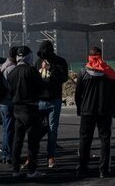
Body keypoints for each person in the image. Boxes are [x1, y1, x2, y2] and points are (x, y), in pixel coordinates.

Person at [75, 46, 115, 178]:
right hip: (104, 112)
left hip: (87, 112)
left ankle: (83, 168)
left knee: (84, 140)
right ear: (101, 56)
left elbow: (78, 94)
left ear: (89, 57)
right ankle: (103, 169)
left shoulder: (82, 72)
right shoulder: (109, 72)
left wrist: (79, 108)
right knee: (105, 141)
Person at [8, 46, 44, 178]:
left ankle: (15, 169)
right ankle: (31, 171)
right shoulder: (31, 70)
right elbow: (41, 88)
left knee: (17, 140)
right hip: (30, 109)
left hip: (17, 109)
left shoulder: (12, 72)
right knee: (33, 142)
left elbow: (10, 91)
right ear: (28, 56)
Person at [35, 40, 68, 168]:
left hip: (54, 101)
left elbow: (64, 78)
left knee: (52, 130)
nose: (43, 56)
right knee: (35, 130)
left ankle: (50, 156)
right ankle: (32, 156)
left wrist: (51, 68)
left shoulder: (60, 62)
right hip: (40, 101)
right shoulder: (38, 62)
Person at [0, 46, 18, 164]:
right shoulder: (12, 68)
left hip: (3, 102)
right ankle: (8, 155)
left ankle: (5, 154)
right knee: (10, 130)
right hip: (9, 101)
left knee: (6, 129)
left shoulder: (3, 65)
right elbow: (13, 87)